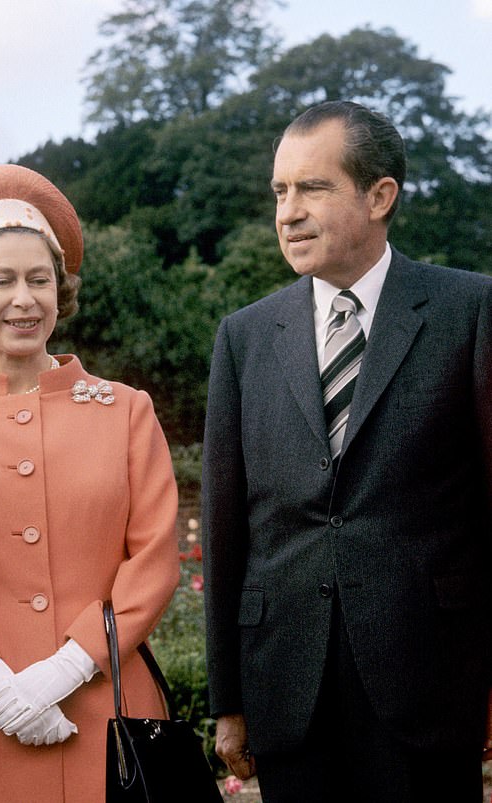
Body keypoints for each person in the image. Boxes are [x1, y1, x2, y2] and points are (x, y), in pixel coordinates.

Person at [201, 100, 492, 802]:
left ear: (380, 195)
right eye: (279, 191)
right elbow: (225, 528)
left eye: (313, 187)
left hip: (431, 686)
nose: (288, 211)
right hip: (287, 693)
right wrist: (228, 698)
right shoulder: (243, 338)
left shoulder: (471, 311)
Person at [0, 164, 180, 802]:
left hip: (108, 706)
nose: (25, 299)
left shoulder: (127, 409)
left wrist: (62, 672)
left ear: (60, 291)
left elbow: (153, 558)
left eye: (39, 280)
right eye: (2, 280)